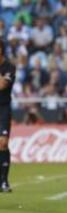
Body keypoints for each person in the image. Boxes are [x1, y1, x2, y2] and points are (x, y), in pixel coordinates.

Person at [0, 39, 16, 192]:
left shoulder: (9, 67)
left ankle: (4, 181)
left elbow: (2, 85)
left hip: (3, 108)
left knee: (3, 143)